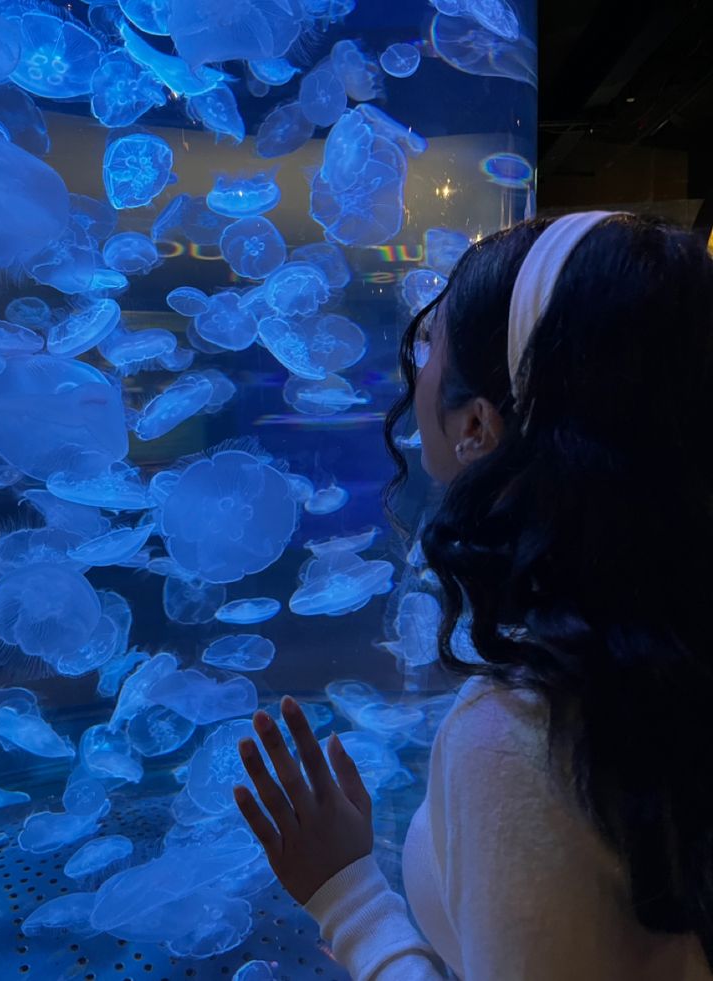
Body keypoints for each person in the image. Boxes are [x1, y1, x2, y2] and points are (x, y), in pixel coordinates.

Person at [233, 211, 713, 980]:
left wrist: (351, 899)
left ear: (479, 425)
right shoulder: (673, 638)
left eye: (431, 345)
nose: (415, 366)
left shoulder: (528, 734)